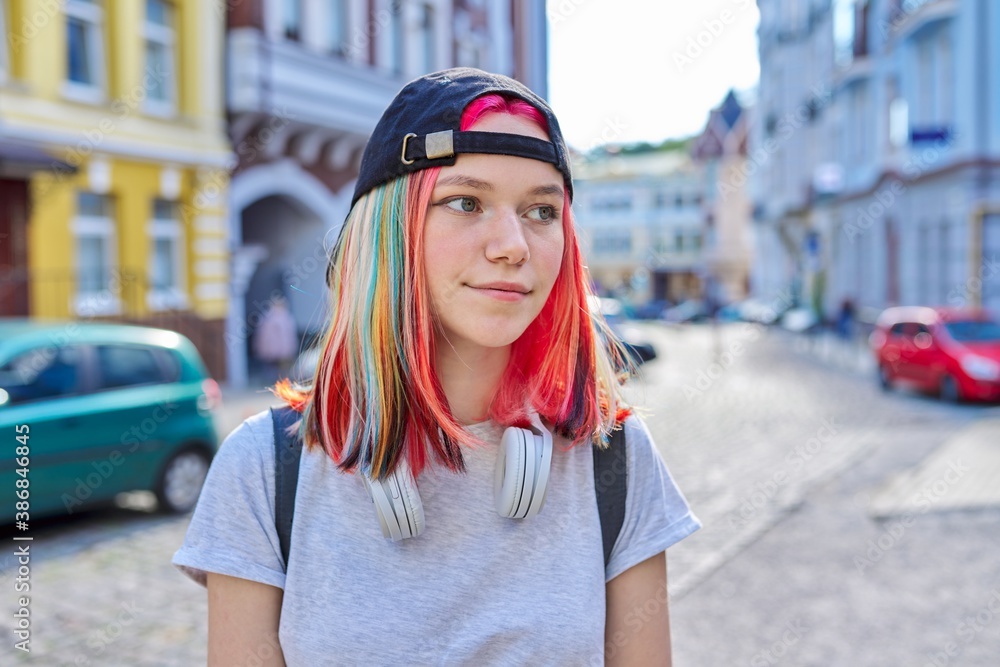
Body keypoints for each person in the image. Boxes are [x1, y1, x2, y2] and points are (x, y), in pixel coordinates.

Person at [172, 68, 700, 665]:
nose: (513, 245)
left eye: (541, 211)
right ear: (391, 233)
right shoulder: (265, 470)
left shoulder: (616, 459)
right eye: (465, 202)